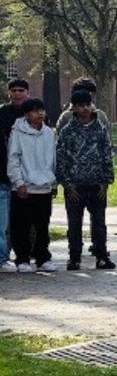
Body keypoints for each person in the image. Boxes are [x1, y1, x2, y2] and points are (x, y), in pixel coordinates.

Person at [56, 88, 116, 271]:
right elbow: (61, 158)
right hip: (75, 185)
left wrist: (105, 182)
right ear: (73, 108)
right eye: (81, 105)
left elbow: (107, 155)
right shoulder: (67, 131)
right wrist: (68, 184)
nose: (85, 109)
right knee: (74, 223)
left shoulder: (100, 128)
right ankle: (74, 258)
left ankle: (102, 256)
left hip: (96, 184)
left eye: (88, 104)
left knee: (99, 223)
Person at [7, 97, 58, 273]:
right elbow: (13, 158)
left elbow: (53, 158)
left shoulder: (49, 133)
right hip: (24, 187)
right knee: (21, 225)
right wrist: (19, 182)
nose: (40, 114)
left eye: (42, 110)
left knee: (42, 225)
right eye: (36, 111)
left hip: (44, 187)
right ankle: (22, 259)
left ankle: (43, 258)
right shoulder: (17, 132)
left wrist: (53, 183)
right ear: (27, 114)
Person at [0, 78, 31, 272]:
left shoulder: (33, 113)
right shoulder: (2, 114)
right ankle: (3, 256)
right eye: (14, 90)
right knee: (3, 221)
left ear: (27, 92)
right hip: (4, 173)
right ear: (8, 93)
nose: (17, 94)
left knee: (25, 221)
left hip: (28, 174)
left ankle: (26, 256)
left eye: (21, 90)